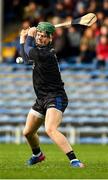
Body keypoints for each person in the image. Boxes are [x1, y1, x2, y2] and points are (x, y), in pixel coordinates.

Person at [19, 22, 84, 168]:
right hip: (41, 98)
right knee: (28, 132)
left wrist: (29, 36)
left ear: (49, 40)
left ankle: (74, 161)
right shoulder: (38, 51)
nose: (40, 38)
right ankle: (38, 155)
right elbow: (26, 58)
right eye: (39, 35)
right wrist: (23, 39)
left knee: (50, 128)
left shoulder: (46, 53)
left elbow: (29, 51)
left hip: (55, 96)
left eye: (43, 37)